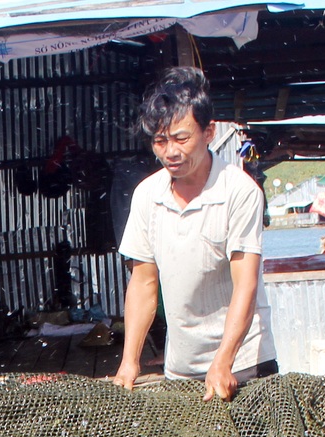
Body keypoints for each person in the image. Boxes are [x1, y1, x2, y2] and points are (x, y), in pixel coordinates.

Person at [111, 68, 277, 401]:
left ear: (209, 132)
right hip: (180, 369)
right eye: (160, 141)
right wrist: (129, 362)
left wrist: (224, 361)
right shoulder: (147, 195)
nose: (170, 152)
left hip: (245, 367)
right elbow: (143, 283)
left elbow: (246, 283)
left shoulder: (240, 191)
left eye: (181, 138)